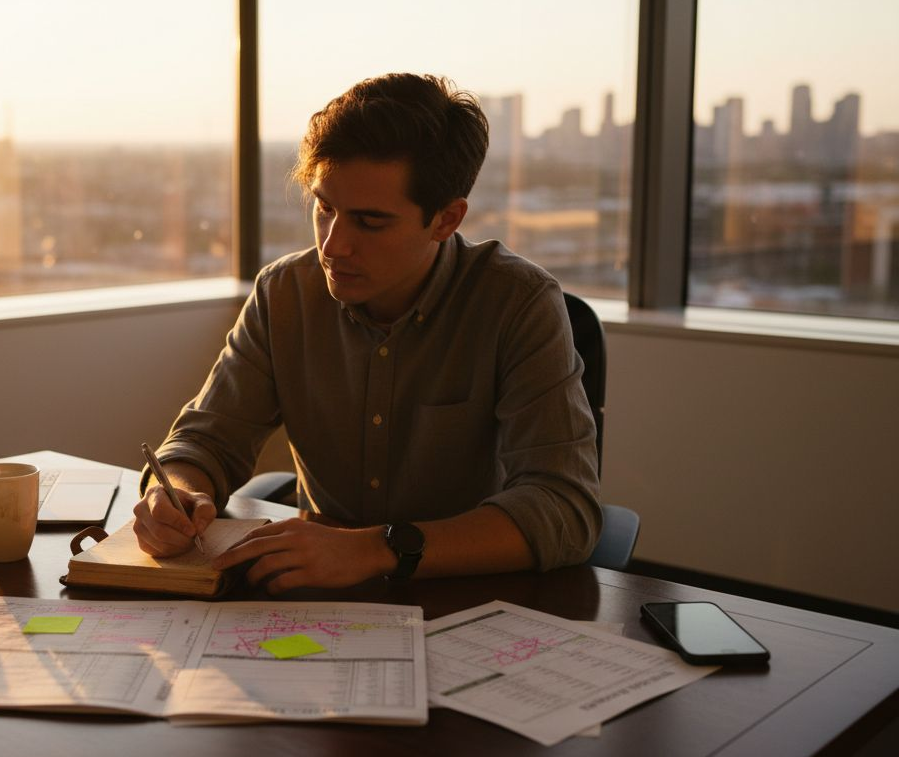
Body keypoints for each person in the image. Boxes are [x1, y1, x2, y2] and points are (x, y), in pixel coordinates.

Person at [133, 73, 601, 593]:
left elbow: (565, 508)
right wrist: (173, 494)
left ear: (446, 220)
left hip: (467, 594)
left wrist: (374, 549)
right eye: (325, 208)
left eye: (370, 222)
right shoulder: (284, 293)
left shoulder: (517, 302)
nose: (333, 246)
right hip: (315, 594)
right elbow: (203, 442)